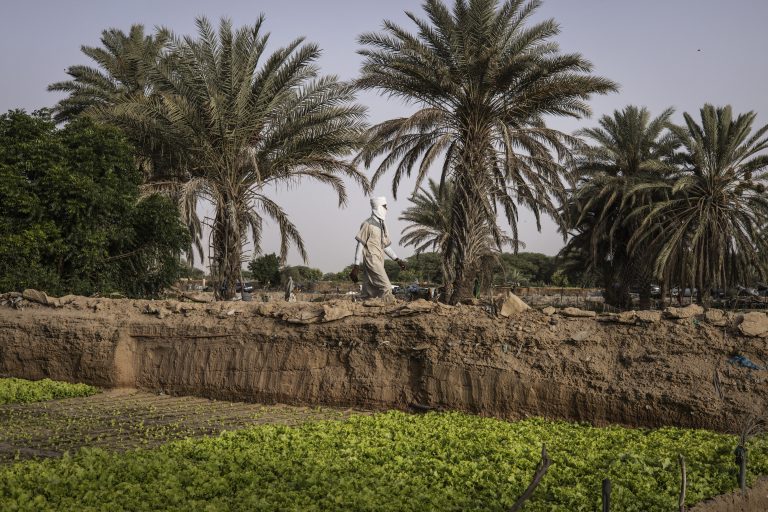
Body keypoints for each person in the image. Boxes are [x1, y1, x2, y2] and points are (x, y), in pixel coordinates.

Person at [349, 196, 406, 300]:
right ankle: (388, 309)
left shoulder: (383, 226)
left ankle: (360, 305)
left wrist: (397, 260)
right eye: (385, 206)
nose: (386, 209)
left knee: (369, 291)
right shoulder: (367, 224)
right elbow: (360, 244)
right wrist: (356, 266)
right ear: (378, 207)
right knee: (386, 287)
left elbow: (385, 247)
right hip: (371, 259)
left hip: (379, 259)